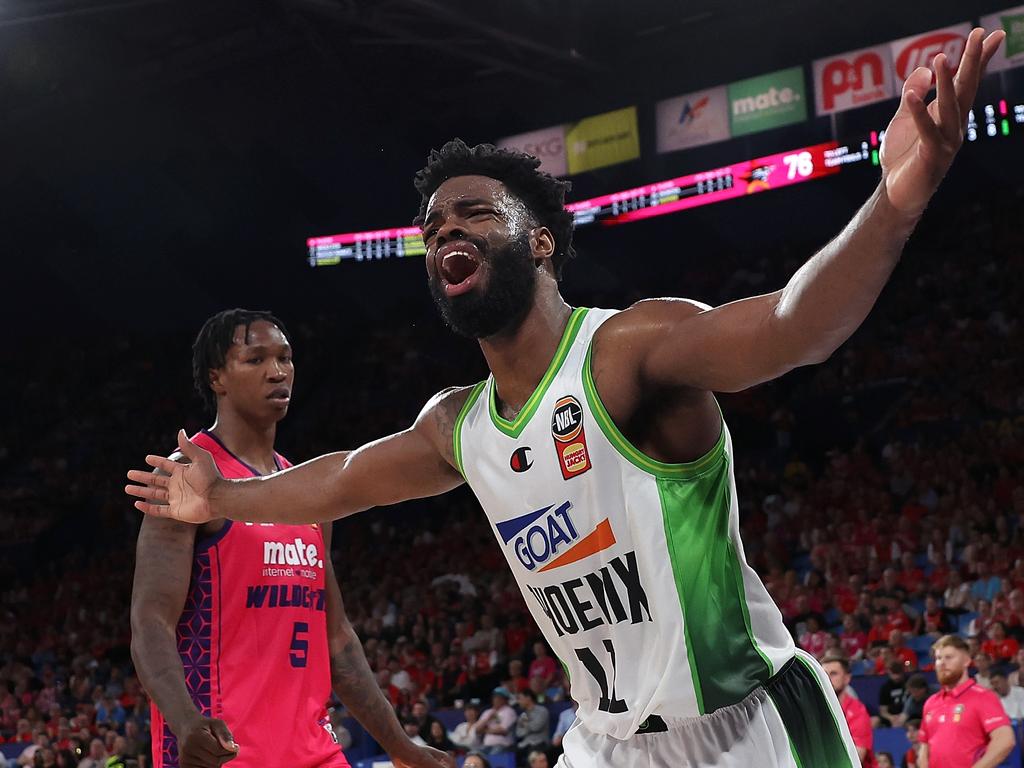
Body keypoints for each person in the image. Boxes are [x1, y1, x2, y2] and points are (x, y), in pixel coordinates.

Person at [127, 29, 1006, 767]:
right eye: (433, 227)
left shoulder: (629, 350)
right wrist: (223, 498)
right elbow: (342, 479)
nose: (447, 233)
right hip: (605, 742)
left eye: (473, 214)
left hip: (742, 730)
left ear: (540, 241)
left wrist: (897, 198)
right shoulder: (456, 423)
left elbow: (790, 325)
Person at [129, 310, 448, 768]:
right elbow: (150, 622)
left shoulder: (300, 489)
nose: (277, 372)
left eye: (285, 358)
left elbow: (336, 640)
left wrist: (400, 746)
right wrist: (184, 721)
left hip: (313, 750)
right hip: (222, 751)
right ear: (216, 376)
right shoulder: (190, 476)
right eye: (255, 359)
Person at [917, 635, 1015, 768]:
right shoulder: (931, 703)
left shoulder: (983, 697)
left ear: (966, 661)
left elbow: (1005, 740)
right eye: (938, 658)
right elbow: (924, 748)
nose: (942, 663)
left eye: (949, 657)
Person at [822, 655, 877, 767]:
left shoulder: (858, 712)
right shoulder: (814, 709)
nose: (827, 679)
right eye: (823, 675)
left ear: (847, 678)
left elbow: (856, 758)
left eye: (834, 674)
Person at [473, 688, 516, 754]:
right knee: (473, 754)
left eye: (499, 697)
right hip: (486, 745)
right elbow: (477, 730)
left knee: (493, 755)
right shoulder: (487, 712)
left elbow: (502, 731)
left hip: (503, 745)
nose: (496, 700)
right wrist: (488, 719)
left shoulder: (509, 712)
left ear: (505, 699)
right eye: (495, 697)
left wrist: (485, 730)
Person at [514, 690, 549, 765]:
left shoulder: (542, 711)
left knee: (532, 752)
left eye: (520, 698)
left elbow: (536, 727)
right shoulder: (523, 715)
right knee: (517, 752)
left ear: (528, 698)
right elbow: (519, 733)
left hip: (540, 742)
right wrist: (529, 726)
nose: (518, 701)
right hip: (525, 743)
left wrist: (526, 724)